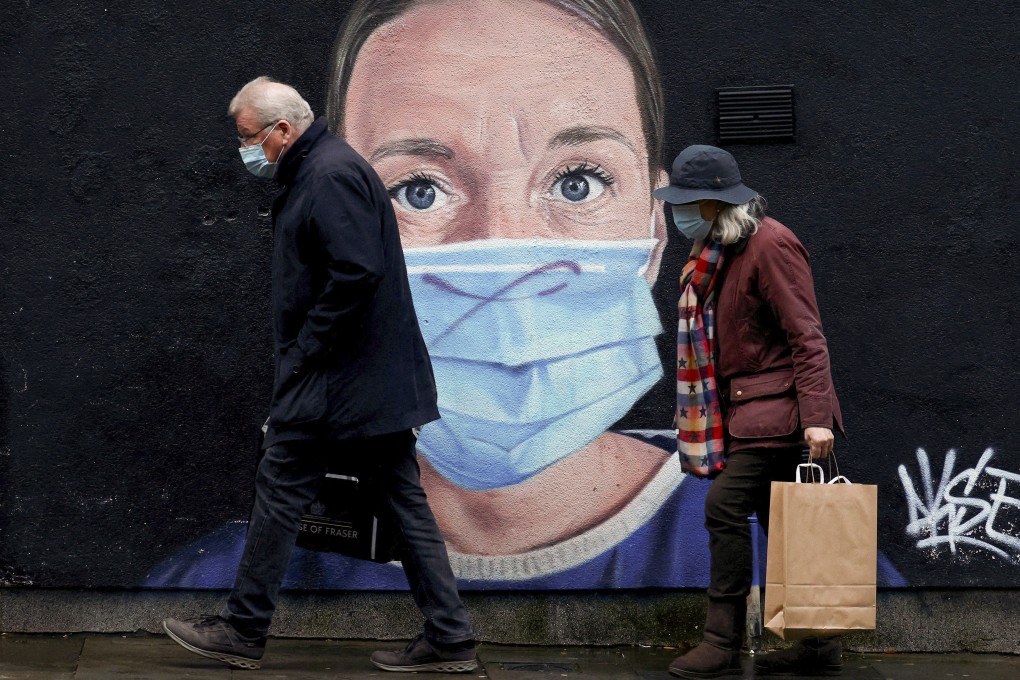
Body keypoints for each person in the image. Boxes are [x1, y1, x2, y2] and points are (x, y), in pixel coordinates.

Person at [160, 77, 478, 674]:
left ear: (283, 130)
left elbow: (355, 273)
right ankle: (450, 637)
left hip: (337, 381)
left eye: (249, 137)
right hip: (365, 381)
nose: (245, 149)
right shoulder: (323, 169)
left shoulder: (328, 176)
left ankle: (243, 629)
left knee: (282, 485)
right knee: (401, 502)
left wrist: (306, 350)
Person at [654, 145, 845, 678]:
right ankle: (818, 645)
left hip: (779, 414)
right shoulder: (716, 254)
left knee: (724, 507)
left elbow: (806, 335)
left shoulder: (770, 245)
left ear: (715, 204)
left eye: (686, 202)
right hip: (744, 414)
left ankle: (721, 642)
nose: (678, 212)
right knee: (786, 526)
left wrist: (817, 417)